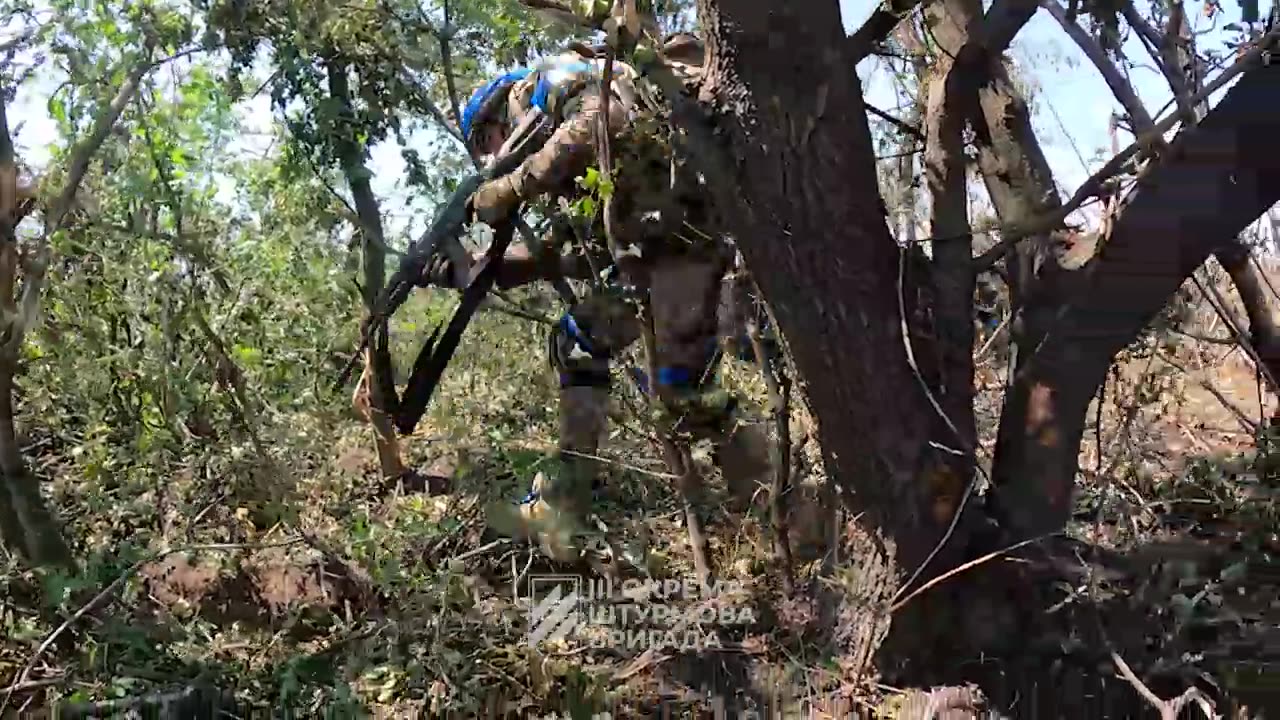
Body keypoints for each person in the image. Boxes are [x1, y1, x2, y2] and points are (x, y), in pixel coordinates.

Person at [431, 35, 770, 562]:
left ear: (495, 122)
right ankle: (569, 498)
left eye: (485, 145)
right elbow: (562, 252)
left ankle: (781, 511)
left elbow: (602, 120)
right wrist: (466, 269)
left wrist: (512, 185)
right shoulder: (571, 164)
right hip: (665, 252)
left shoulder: (546, 83)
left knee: (668, 385)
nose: (489, 158)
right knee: (616, 359)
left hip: (687, 246)